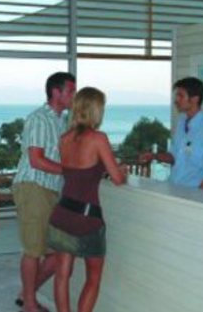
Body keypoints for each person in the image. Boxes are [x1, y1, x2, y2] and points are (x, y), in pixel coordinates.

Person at [48, 87, 127, 312]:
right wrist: (121, 170)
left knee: (62, 275)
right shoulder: (98, 138)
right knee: (93, 278)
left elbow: (77, 173)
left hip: (62, 213)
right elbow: (118, 179)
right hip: (87, 219)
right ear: (96, 110)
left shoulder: (64, 139)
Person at [13, 72, 76, 312]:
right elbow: (36, 160)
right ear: (56, 92)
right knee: (33, 250)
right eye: (70, 90)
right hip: (34, 187)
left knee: (59, 252)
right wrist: (71, 171)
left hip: (52, 189)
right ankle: (30, 304)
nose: (74, 95)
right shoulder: (39, 119)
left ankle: (26, 293)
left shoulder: (63, 121)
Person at [142, 77, 203, 190]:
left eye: (181, 96)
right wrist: (154, 156)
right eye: (176, 95)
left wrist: (200, 194)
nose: (176, 100)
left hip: (194, 192)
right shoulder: (181, 122)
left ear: (195, 99)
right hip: (174, 188)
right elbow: (173, 157)